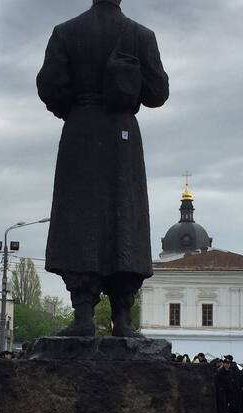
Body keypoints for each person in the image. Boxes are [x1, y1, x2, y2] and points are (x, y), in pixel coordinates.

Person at [37, 0, 170, 337]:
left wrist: (76, 107)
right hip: (122, 137)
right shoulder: (141, 35)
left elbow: (50, 86)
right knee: (125, 217)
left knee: (79, 219)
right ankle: (122, 319)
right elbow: (157, 93)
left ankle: (83, 316)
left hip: (81, 132)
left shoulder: (66, 32)